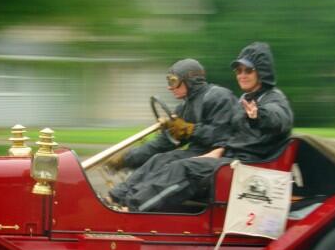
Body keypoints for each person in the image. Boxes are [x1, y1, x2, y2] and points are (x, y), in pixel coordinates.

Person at [115, 42, 293, 212]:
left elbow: (279, 119)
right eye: (239, 70)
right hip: (232, 159)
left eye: (248, 70)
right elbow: (232, 138)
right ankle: (119, 198)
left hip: (250, 168)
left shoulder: (273, 99)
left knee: (183, 168)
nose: (242, 75)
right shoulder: (246, 99)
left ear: (261, 72)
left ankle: (132, 209)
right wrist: (218, 151)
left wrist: (259, 116)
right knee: (166, 160)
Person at [107, 58, 236, 211]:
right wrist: (127, 159)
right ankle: (116, 198)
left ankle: (132, 207)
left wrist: (190, 129)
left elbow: (223, 137)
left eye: (173, 81)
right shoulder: (185, 107)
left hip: (220, 159)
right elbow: (163, 143)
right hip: (197, 153)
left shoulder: (219, 96)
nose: (170, 87)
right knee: (159, 159)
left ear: (191, 80)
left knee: (174, 165)